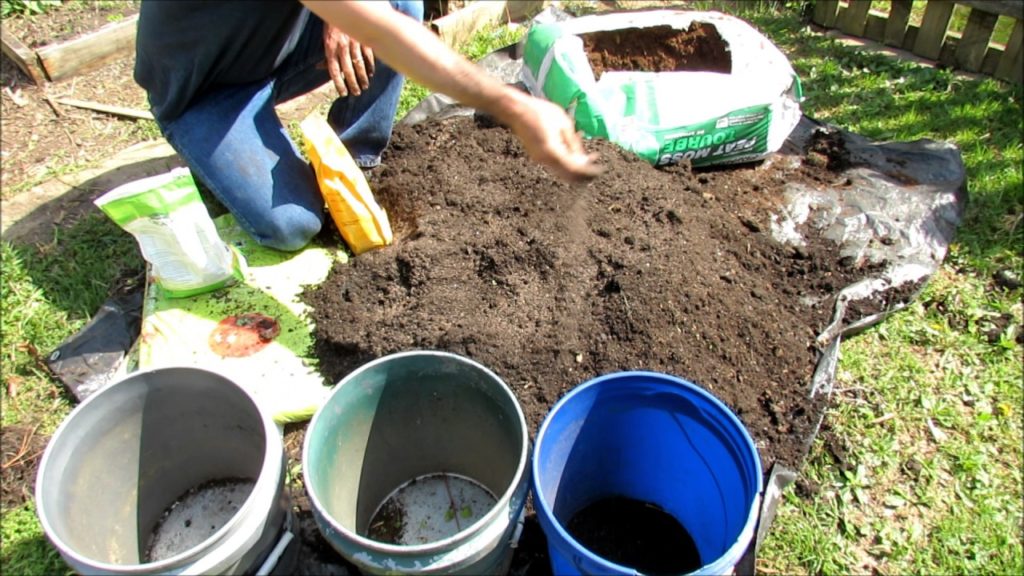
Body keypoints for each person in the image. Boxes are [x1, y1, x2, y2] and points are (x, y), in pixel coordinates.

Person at [134, 0, 601, 252]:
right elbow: (386, 36)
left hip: (276, 47)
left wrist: (341, 16)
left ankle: (352, 161)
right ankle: (226, 146)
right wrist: (514, 108)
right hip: (204, 90)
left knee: (401, 4)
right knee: (292, 226)